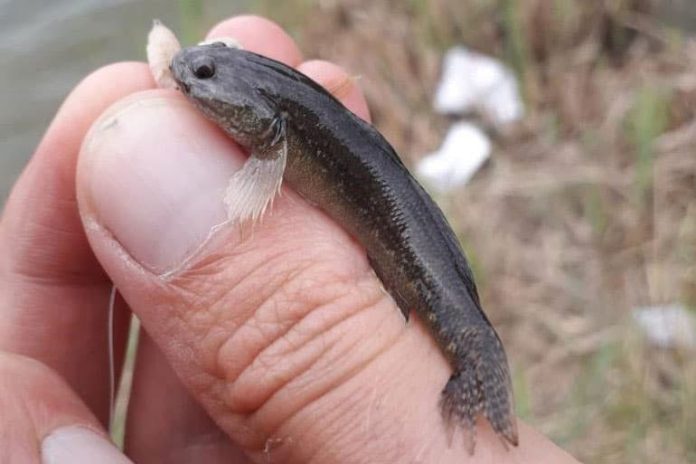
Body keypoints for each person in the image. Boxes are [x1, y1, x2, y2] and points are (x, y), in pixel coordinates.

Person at [0, 15, 579, 463]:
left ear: (266, 120)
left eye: (207, 74)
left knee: (458, 339)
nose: (191, 74)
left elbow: (252, 193)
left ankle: (476, 425)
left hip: (423, 265)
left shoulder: (277, 133)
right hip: (411, 246)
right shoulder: (274, 126)